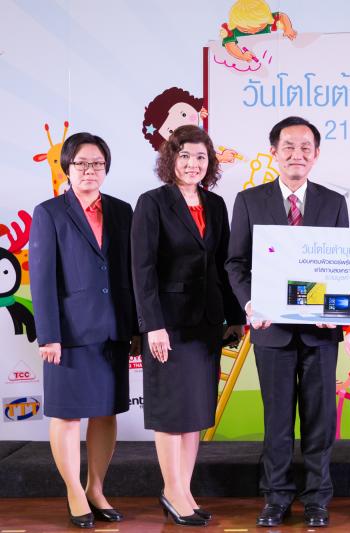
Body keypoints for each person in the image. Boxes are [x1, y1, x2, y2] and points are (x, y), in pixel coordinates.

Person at [225, 116, 349, 528]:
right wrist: (250, 305)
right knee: (277, 420)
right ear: (274, 152)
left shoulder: (334, 203)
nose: (297, 154)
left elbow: (342, 266)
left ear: (316, 154)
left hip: (320, 333)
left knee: (320, 422)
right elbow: (235, 263)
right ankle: (275, 498)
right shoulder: (249, 200)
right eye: (289, 147)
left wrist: (336, 311)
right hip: (271, 331)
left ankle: (317, 500)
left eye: (305, 147)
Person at [131, 125, 245, 527]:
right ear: (171, 159)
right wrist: (152, 326)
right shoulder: (152, 202)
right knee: (171, 413)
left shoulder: (215, 204)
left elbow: (224, 264)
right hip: (168, 325)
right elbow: (142, 269)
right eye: (185, 156)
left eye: (200, 157)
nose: (193, 164)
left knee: (195, 412)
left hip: (207, 324)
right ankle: (172, 490)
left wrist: (236, 317)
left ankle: (185, 491)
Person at [29, 132, 139, 529]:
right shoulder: (49, 212)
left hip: (114, 329)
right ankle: (74, 492)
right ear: (67, 167)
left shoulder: (123, 210)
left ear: (106, 168)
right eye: (81, 163)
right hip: (69, 334)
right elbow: (42, 278)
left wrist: (136, 326)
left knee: (105, 413)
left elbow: (131, 272)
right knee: (67, 416)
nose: (89, 170)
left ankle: (96, 488)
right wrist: (49, 335)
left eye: (97, 164)